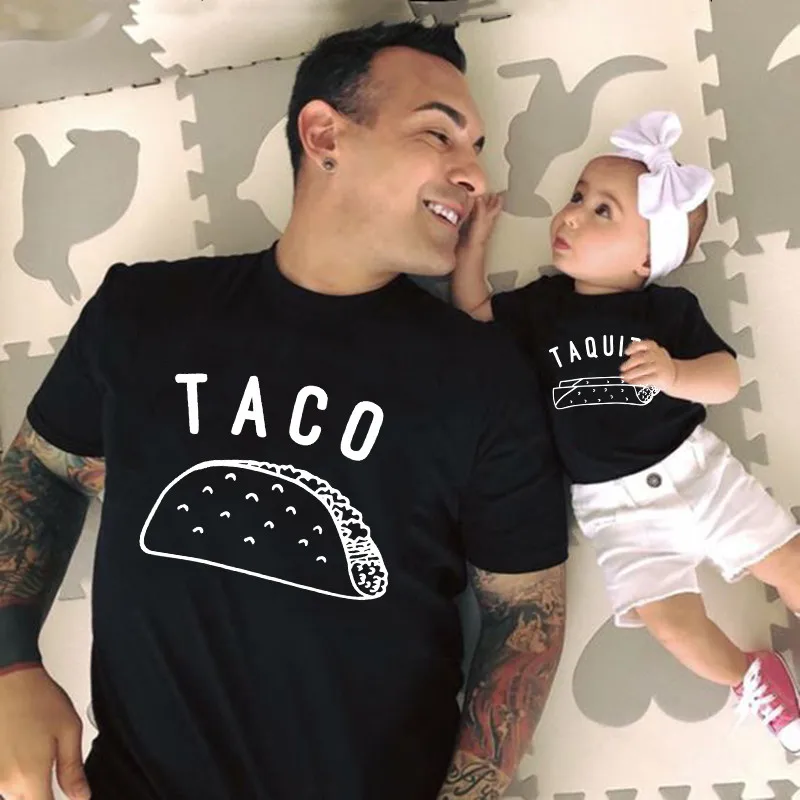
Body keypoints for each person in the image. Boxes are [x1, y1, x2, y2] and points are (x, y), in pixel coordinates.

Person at [0, 20, 569, 800]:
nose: (473, 173)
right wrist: (11, 664)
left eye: (477, 148)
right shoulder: (145, 312)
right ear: (324, 135)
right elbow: (39, 469)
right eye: (440, 134)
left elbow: (525, 621)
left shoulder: (484, 378)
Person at [452, 109, 800, 753]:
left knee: (789, 563)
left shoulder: (665, 309)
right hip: (614, 510)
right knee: (672, 625)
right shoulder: (542, 307)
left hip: (697, 472)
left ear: (647, 257)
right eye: (576, 197)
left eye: (601, 211)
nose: (571, 216)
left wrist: (675, 373)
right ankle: (752, 676)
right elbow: (475, 316)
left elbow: (726, 379)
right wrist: (474, 245)